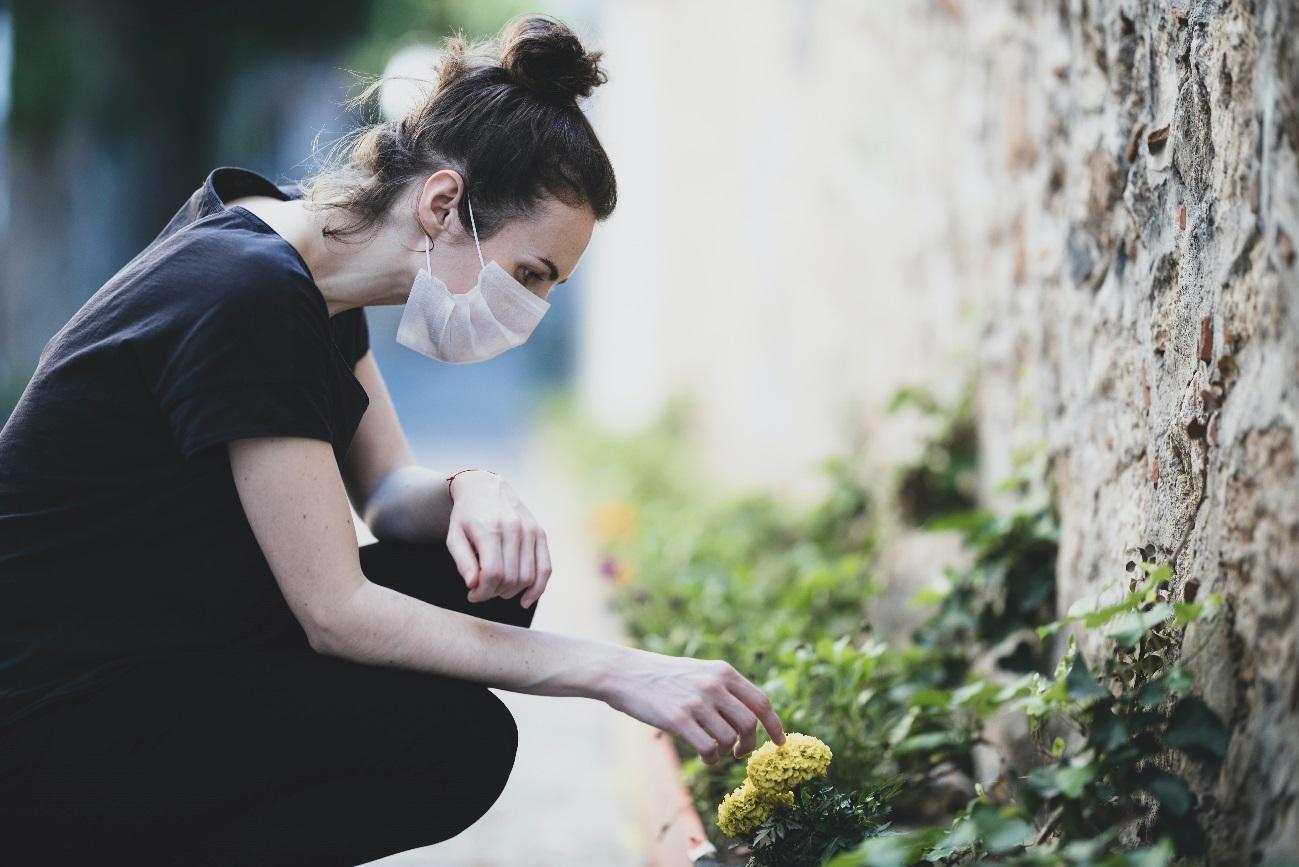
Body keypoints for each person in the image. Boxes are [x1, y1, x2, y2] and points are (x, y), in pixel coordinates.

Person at [0, 13, 785, 867]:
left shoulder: (302, 269)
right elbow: (336, 613)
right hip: (50, 720)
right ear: (444, 203)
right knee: (454, 744)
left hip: (157, 648)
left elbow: (384, 491)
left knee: (480, 576)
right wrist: (622, 671)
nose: (531, 308)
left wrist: (473, 484)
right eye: (529, 274)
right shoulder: (246, 296)